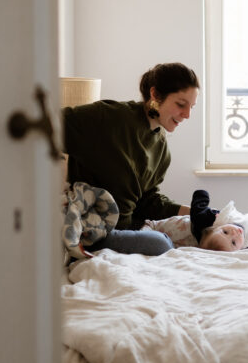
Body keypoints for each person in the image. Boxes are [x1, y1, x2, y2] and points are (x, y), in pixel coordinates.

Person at [61, 62, 198, 256]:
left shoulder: (160, 148)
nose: (187, 115)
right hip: (95, 231)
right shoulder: (110, 119)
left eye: (192, 107)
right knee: (161, 244)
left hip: (128, 228)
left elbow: (148, 202)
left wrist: (197, 213)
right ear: (155, 95)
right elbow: (52, 124)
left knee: (197, 231)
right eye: (181, 104)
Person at [143, 189, 248, 252]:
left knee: (146, 235)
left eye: (225, 232)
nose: (235, 233)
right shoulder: (246, 242)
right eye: (234, 242)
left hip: (156, 226)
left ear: (215, 228)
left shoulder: (205, 220)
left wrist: (203, 196)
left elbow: (197, 204)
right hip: (155, 228)